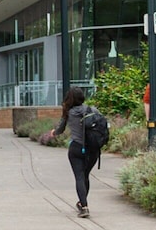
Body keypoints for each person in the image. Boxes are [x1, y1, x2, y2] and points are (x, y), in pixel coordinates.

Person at [53, 87, 104, 218]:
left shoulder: (69, 112)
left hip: (76, 148)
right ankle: (82, 203)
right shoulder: (92, 110)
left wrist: (53, 133)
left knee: (79, 176)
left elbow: (60, 129)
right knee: (85, 175)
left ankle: (84, 206)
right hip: (92, 150)